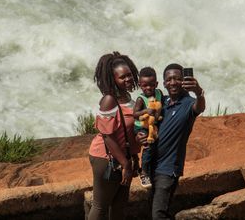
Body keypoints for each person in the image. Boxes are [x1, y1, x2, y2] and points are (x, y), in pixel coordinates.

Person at [140, 63, 206, 220]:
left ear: (183, 81)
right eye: (169, 79)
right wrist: (140, 134)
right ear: (163, 83)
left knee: (158, 214)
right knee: (155, 210)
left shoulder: (189, 103)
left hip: (168, 169)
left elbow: (200, 107)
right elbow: (147, 122)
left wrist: (199, 92)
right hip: (152, 165)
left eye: (177, 78)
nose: (173, 82)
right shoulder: (161, 101)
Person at [88, 51, 141, 220]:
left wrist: (133, 157)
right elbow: (107, 137)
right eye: (122, 77)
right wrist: (125, 164)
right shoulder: (109, 100)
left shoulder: (127, 97)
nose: (128, 79)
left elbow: (127, 134)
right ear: (113, 79)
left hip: (124, 158)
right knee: (100, 207)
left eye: (129, 75)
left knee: (119, 206)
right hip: (106, 158)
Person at [133, 67, 163, 188]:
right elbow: (134, 114)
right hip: (141, 126)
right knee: (148, 146)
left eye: (151, 85)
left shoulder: (159, 93)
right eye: (145, 85)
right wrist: (146, 110)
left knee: (158, 145)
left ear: (156, 84)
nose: (148, 88)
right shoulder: (141, 99)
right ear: (140, 85)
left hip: (153, 124)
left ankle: (154, 168)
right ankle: (143, 172)